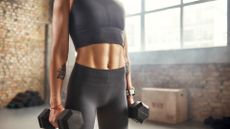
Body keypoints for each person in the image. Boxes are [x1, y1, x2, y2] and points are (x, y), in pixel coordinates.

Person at [48, 0, 135, 129]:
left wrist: (130, 92)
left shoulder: (119, 2)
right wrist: (55, 104)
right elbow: (59, 53)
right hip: (86, 86)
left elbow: (125, 53)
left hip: (117, 87)